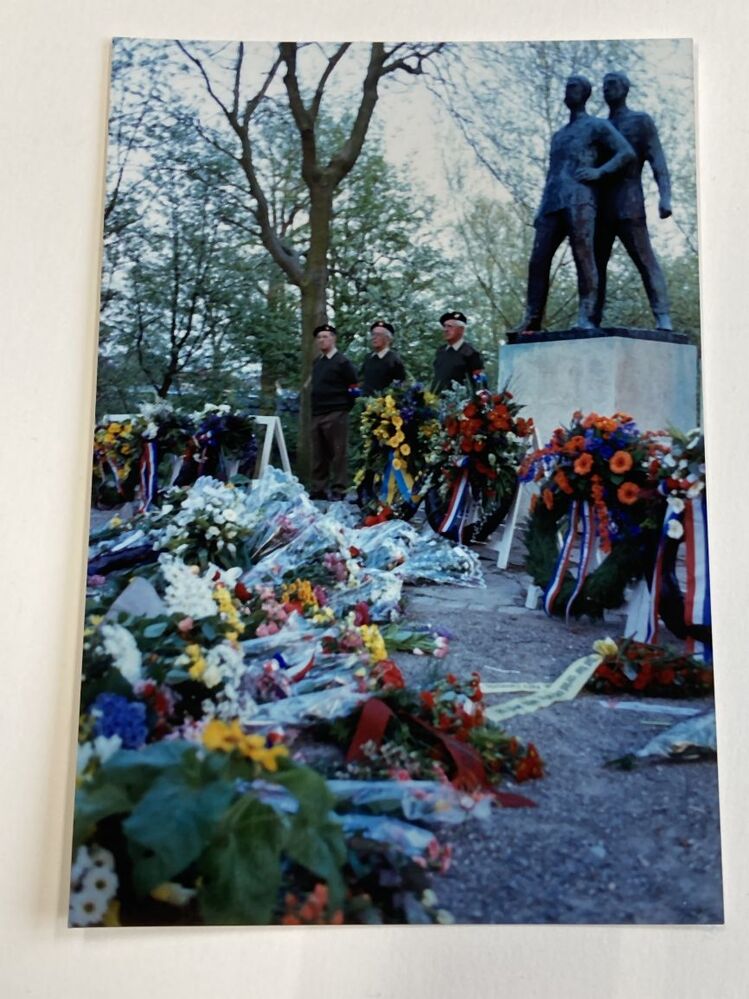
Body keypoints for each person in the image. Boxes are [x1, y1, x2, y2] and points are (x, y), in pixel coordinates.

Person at [514, 75, 636, 333]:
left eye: (573, 88)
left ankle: (587, 316)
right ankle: (532, 317)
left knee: (583, 255)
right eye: (566, 88)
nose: (568, 92)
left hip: (581, 199)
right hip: (552, 201)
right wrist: (540, 208)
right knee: (538, 260)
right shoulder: (559, 135)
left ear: (585, 93)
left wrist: (600, 172)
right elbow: (551, 173)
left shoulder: (596, 125)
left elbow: (626, 152)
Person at [592, 71, 673, 330]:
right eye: (604, 86)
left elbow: (658, 161)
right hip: (600, 207)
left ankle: (663, 316)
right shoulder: (598, 127)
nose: (607, 89)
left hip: (629, 202)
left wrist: (665, 197)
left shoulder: (641, 121)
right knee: (595, 264)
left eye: (612, 84)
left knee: (644, 259)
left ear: (625, 89)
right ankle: (591, 318)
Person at [310, 323, 359, 501]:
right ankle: (319, 488)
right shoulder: (317, 362)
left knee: (338, 452)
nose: (322, 340)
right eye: (319, 337)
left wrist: (344, 406)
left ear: (333, 339)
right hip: (318, 412)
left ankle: (339, 488)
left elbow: (354, 386)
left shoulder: (342, 362)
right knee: (319, 453)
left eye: (325, 337)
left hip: (336, 412)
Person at [432, 311, 485, 393]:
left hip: (460, 399)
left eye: (450, 326)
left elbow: (480, 383)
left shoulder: (471, 353)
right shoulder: (441, 351)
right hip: (436, 398)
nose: (445, 330)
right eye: (444, 326)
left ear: (461, 330)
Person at [359, 320, 406, 396]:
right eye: (373, 334)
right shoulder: (368, 357)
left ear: (388, 339)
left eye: (378, 335)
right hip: (364, 400)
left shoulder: (394, 360)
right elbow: (361, 379)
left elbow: (400, 387)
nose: (374, 337)